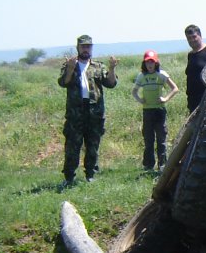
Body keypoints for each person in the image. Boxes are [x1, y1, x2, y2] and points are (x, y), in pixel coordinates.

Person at [57, 35, 118, 188]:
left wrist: (112, 68)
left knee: (93, 145)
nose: (86, 49)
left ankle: (91, 174)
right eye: (83, 46)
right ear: (78, 47)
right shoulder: (70, 64)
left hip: (94, 113)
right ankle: (69, 177)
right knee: (72, 146)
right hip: (76, 113)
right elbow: (63, 82)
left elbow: (111, 83)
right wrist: (70, 68)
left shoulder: (98, 66)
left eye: (88, 46)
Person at [131, 49, 179, 171]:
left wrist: (165, 98)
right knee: (148, 139)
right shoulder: (141, 76)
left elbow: (175, 88)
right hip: (147, 111)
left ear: (156, 63)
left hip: (159, 111)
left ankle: (162, 165)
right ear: (144, 64)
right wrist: (140, 100)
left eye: (152, 62)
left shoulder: (162, 75)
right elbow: (134, 91)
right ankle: (148, 165)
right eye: (147, 62)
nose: (150, 65)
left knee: (161, 138)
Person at [183, 24, 206, 113]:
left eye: (194, 37)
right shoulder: (191, 54)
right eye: (189, 38)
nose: (192, 40)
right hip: (193, 100)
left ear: (200, 35)